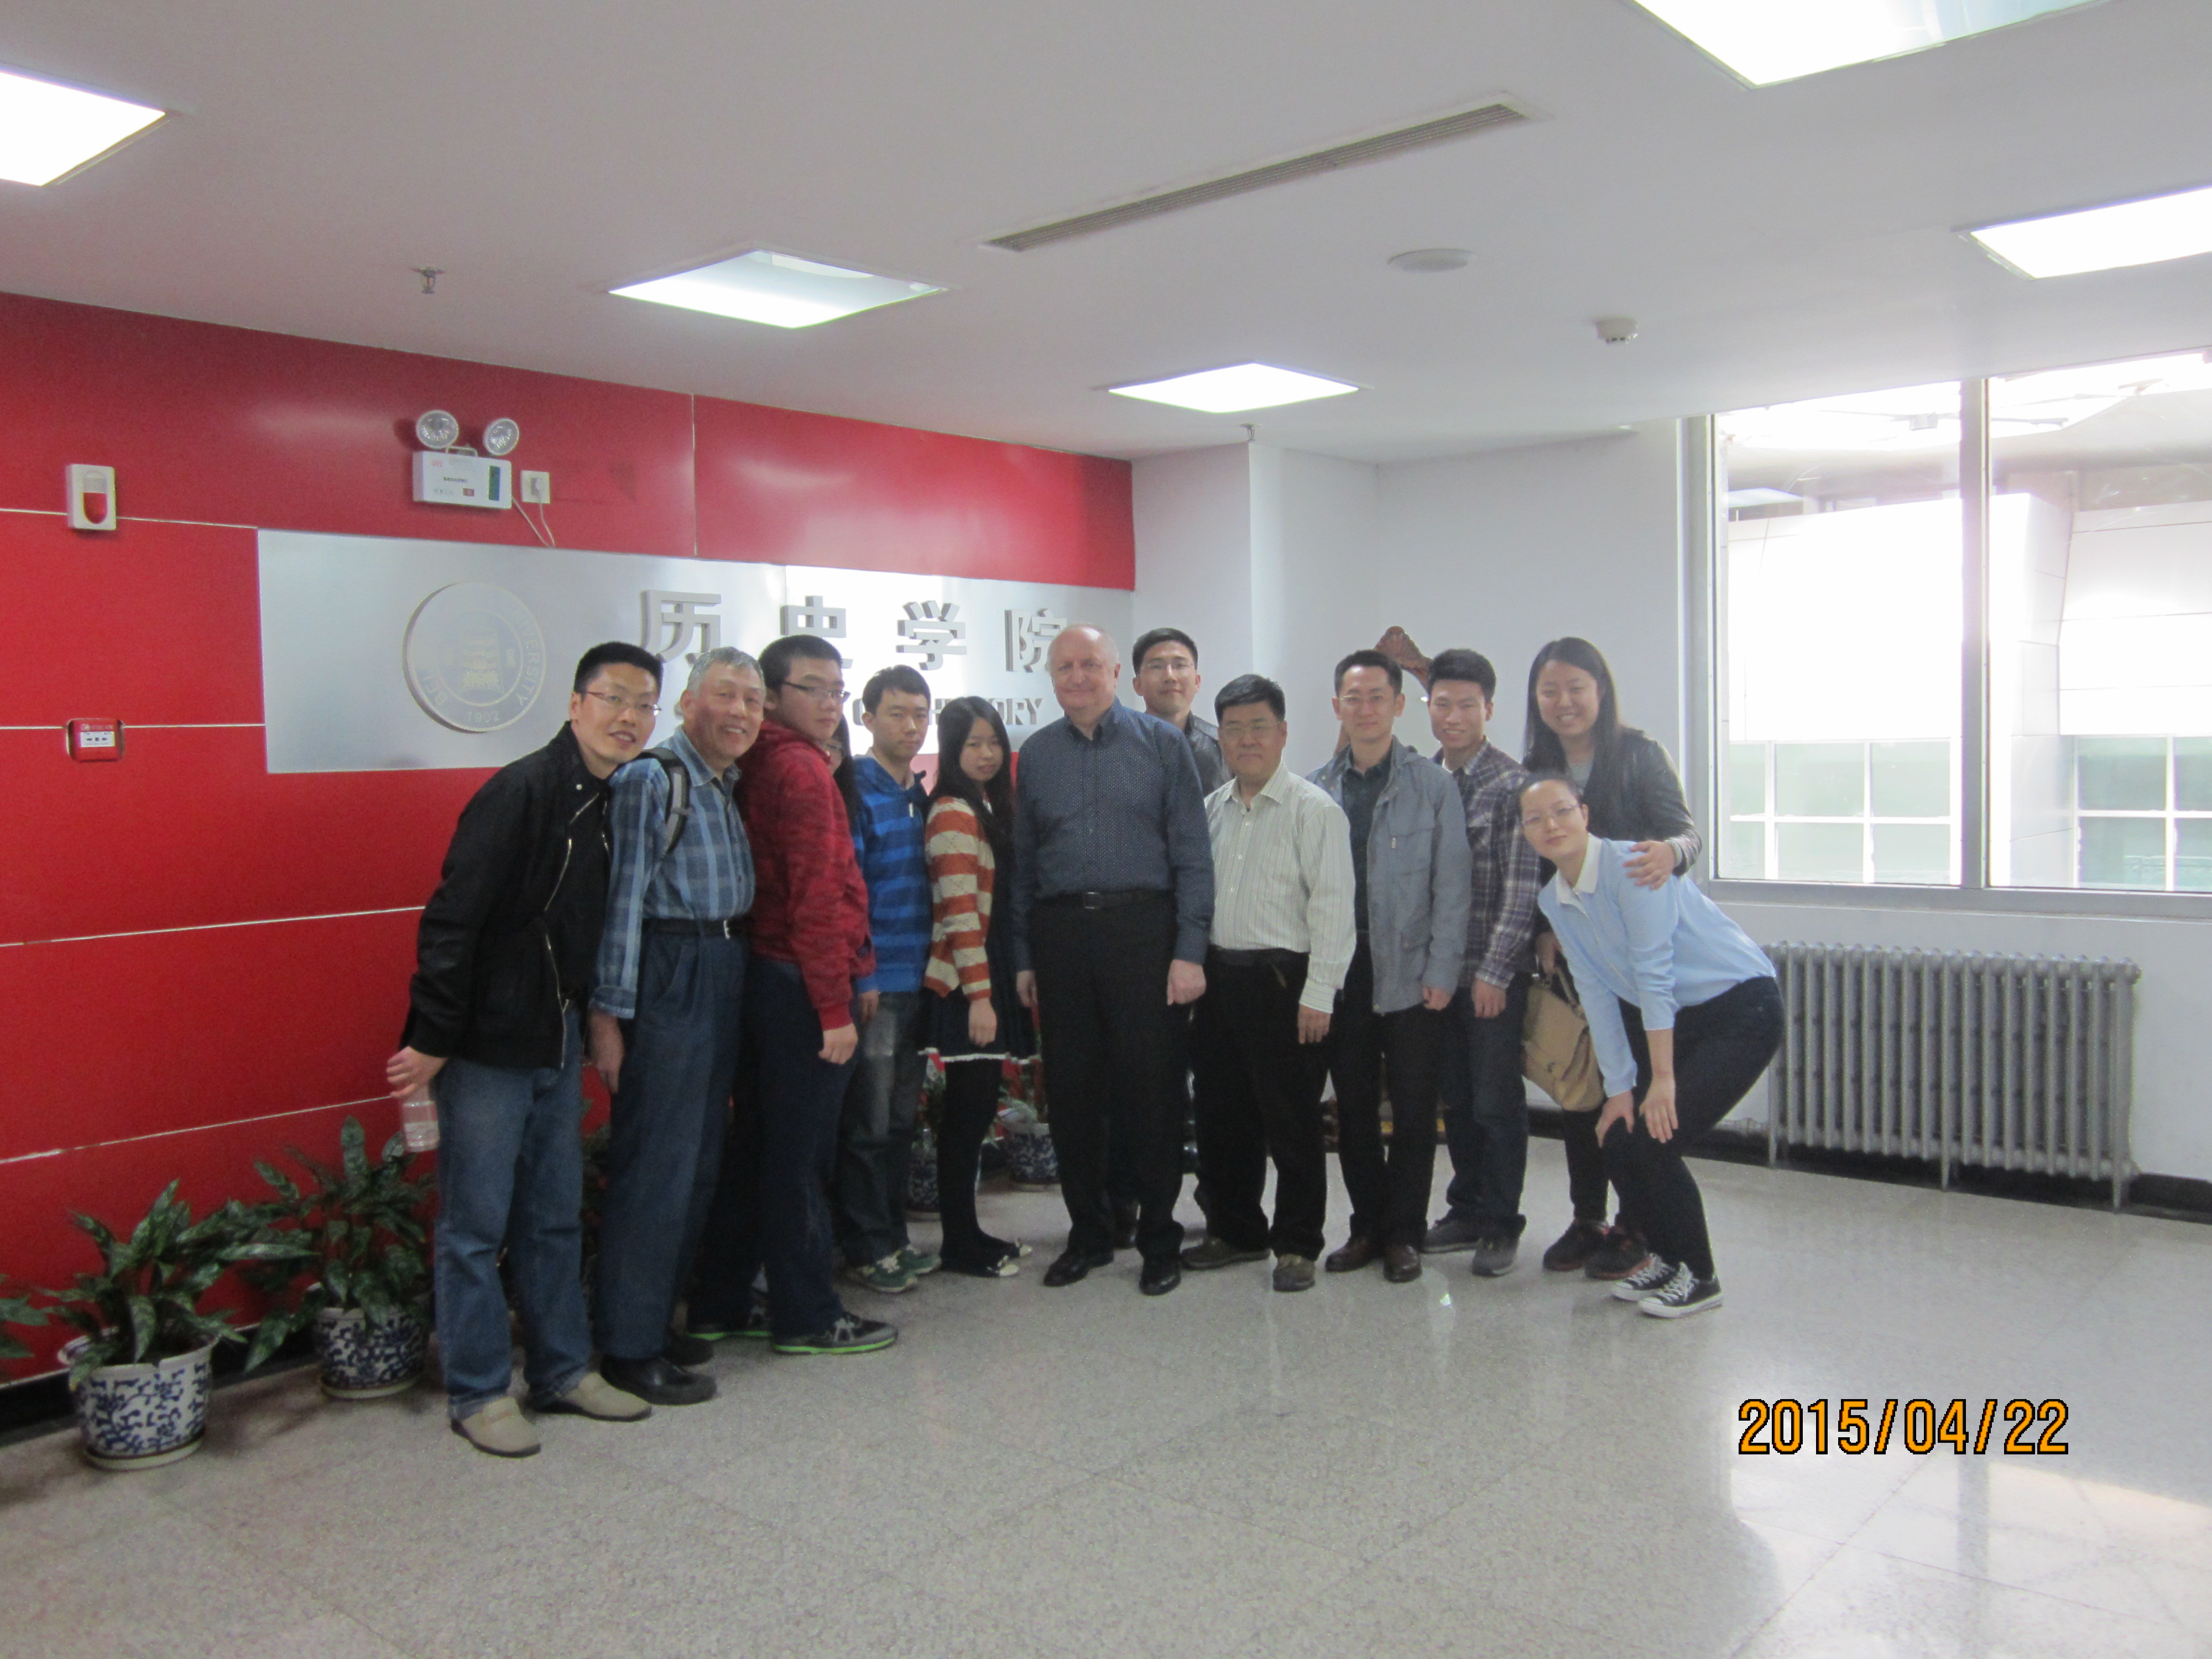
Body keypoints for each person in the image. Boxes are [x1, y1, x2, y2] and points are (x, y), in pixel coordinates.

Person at [386, 642, 662, 1458]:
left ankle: (562, 1371)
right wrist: (433, 1036)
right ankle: (477, 1392)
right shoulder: (521, 791)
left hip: (557, 1036)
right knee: (475, 1227)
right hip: (487, 1045)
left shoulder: (615, 799)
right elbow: (453, 920)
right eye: (614, 699)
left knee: (551, 1216)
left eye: (643, 705)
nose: (628, 718)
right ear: (576, 705)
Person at [685, 634, 896, 1357]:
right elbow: (817, 900)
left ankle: (718, 1300)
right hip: (800, 984)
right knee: (798, 1158)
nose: (831, 703)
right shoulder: (800, 770)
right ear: (773, 698)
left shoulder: (762, 760)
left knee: (758, 1148)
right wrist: (834, 1008)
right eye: (814, 688)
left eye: (838, 689)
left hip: (767, 976)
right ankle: (807, 1314)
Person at [1519, 774, 1781, 1318]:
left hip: (1741, 1008)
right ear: (1525, 832)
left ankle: (1701, 1277)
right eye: (1535, 819)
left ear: (1585, 814)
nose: (1551, 825)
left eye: (1562, 811)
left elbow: (1653, 977)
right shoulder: (1555, 899)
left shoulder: (1631, 869)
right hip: (1682, 1017)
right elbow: (1597, 995)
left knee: (1658, 1139)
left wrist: (1661, 1081)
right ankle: (1664, 1258)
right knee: (1619, 1137)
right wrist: (1619, 1091)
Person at [1009, 624, 1213, 1297]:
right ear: (1051, 677)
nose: (1078, 676)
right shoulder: (1037, 755)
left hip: (1143, 931)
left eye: (1090, 664)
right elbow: (1024, 864)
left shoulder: (1162, 745)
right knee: (1072, 1096)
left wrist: (1188, 952)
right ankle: (1089, 1235)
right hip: (1061, 934)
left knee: (1152, 1092)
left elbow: (1192, 855)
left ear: (1116, 673)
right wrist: (1024, 955)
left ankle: (1158, 1239)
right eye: (1064, 666)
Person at [583, 647, 761, 1408]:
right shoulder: (654, 780)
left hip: (723, 963)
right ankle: (627, 1347)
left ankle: (655, 1321)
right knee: (658, 1164)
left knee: (698, 1162)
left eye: (752, 700)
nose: (740, 711)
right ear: (687, 703)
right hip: (671, 968)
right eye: (725, 694)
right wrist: (608, 1018)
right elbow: (622, 902)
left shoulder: (725, 783)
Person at [1522, 637, 1703, 1280]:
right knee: (1585, 1088)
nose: (1564, 702)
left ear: (1600, 690)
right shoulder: (1537, 766)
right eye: (1550, 691)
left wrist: (1671, 853)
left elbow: (1687, 833)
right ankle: (1587, 1218)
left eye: (1576, 687)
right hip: (1580, 949)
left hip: (1639, 956)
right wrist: (1542, 928)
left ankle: (1636, 1225)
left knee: (1636, 1089)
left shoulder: (1638, 754)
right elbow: (1535, 859)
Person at [1180, 675, 1354, 1293]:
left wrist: (1320, 994)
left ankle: (1298, 1244)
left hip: (1286, 984)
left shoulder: (1315, 810)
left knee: (1293, 1122)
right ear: (1220, 738)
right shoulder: (1210, 810)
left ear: (1282, 733)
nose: (1246, 740)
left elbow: (1333, 909)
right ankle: (1237, 1231)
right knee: (1222, 1116)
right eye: (1234, 729)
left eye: (1259, 727)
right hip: (1220, 982)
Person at [1309, 650, 1470, 1284]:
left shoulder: (1432, 786)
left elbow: (1451, 887)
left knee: (1412, 1110)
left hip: (1411, 971)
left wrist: (1443, 970)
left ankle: (1404, 1232)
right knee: (1351, 1108)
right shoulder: (1316, 789)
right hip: (1342, 972)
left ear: (1400, 705)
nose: (1366, 709)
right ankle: (1366, 1228)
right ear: (1337, 707)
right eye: (1353, 698)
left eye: (1378, 697)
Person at [1417, 649, 1542, 1277]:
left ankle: (1499, 1221)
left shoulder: (1514, 787)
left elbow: (1522, 892)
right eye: (1442, 704)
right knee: (1458, 1100)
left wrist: (1495, 972)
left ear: (1489, 709)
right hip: (1437, 976)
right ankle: (1465, 1208)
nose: (1454, 716)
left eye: (1467, 705)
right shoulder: (1422, 779)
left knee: (1495, 1101)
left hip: (1492, 976)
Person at [834, 665, 941, 1295]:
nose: (910, 726)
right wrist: (861, 974)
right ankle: (866, 1246)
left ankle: (894, 1238)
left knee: (901, 1122)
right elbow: (847, 893)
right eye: (897, 713)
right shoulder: (854, 790)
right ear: (867, 717)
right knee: (868, 1125)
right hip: (876, 985)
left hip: (920, 979)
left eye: (920, 714)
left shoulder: (920, 796)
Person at [921, 696, 1036, 1277]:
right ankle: (959, 1244)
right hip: (969, 985)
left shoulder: (986, 805)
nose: (986, 754)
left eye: (993, 742)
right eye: (973, 744)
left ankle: (968, 1236)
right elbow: (960, 915)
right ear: (951, 749)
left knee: (976, 1112)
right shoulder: (951, 812)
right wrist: (981, 999)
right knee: (966, 1118)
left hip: (987, 974)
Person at [1131, 626, 1228, 793]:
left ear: (1197, 681)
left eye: (1180, 665)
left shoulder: (1223, 747)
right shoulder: (1121, 746)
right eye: (1156, 667)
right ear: (1138, 685)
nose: (1170, 676)